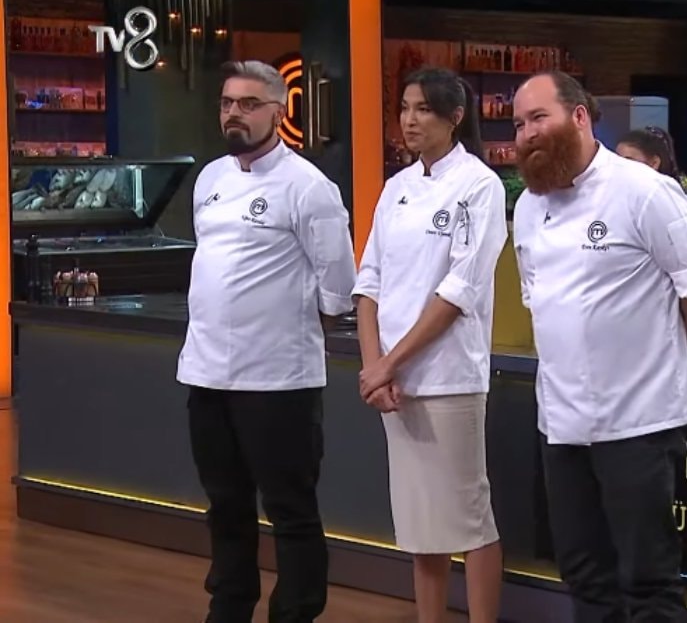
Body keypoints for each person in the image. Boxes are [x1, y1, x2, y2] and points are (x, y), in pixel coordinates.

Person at [510, 71, 687, 623]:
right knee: (583, 573)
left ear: (579, 116)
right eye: (519, 123)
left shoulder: (643, 191)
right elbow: (540, 303)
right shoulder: (529, 207)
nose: (527, 133)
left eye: (539, 118)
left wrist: (661, 352)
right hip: (561, 422)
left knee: (647, 579)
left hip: (639, 421)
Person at [177, 60, 357, 623]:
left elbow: (338, 289)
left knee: (290, 510)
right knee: (225, 505)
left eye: (249, 104)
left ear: (279, 112)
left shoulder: (309, 187)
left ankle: (295, 613)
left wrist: (285, 328)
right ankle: (228, 608)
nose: (235, 113)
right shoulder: (210, 178)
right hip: (206, 373)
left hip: (279, 382)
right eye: (227, 102)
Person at [354, 67, 507, 623]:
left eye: (422, 109)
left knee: (469, 518)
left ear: (455, 117)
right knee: (422, 525)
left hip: (449, 377)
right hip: (394, 384)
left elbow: (459, 290)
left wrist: (390, 363)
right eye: (404, 108)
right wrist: (375, 367)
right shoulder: (396, 188)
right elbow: (369, 281)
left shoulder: (479, 185)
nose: (409, 120)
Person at [615, 126, 681, 180]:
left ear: (654, 163)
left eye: (628, 161)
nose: (620, 168)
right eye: (617, 161)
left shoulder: (665, 191)